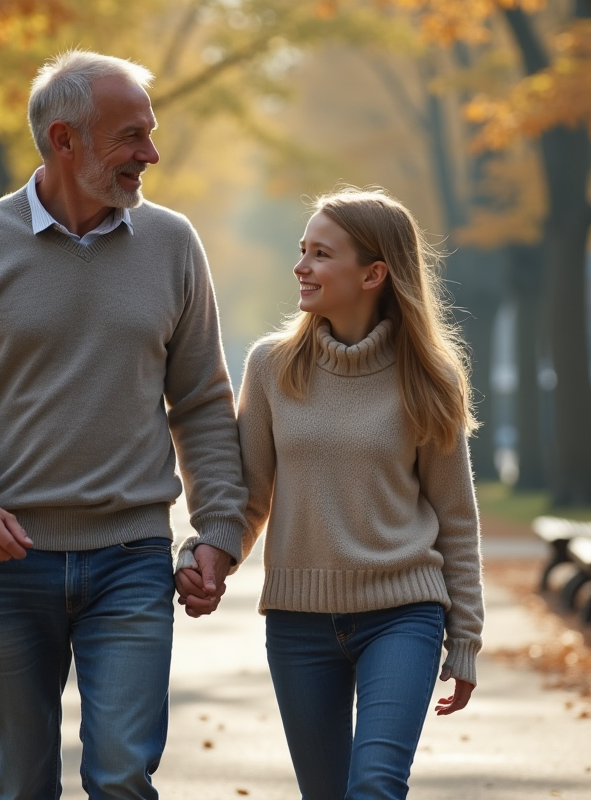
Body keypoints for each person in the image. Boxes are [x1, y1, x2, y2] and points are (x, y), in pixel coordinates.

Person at [0, 50, 245, 800]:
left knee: (120, 774)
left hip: (132, 558)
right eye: (131, 136)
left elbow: (205, 402)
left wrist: (217, 532)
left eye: (149, 134)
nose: (149, 153)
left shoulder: (173, 244)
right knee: (20, 786)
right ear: (64, 140)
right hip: (10, 562)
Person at [176, 187, 485, 799]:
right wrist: (207, 554)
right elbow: (250, 498)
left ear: (373, 273)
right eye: (302, 250)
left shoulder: (429, 378)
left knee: (373, 786)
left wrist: (466, 638)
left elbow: (456, 517)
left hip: (403, 614)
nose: (301, 266)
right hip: (299, 624)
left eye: (321, 254)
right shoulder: (271, 367)